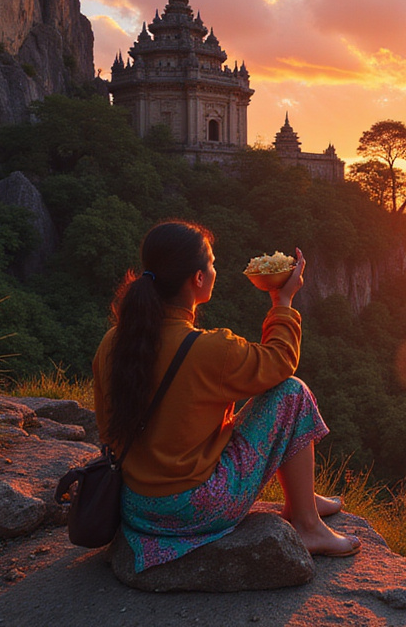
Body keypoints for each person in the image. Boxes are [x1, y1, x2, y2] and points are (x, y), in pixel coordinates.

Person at [92, 220, 361, 574]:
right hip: (193, 508)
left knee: (275, 396)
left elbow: (110, 428)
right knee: (291, 392)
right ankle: (308, 526)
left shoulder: (114, 342)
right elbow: (280, 362)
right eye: (213, 263)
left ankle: (301, 499)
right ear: (198, 279)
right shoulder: (209, 350)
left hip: (137, 505)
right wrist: (282, 300)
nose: (216, 269)